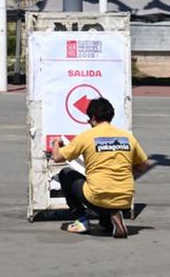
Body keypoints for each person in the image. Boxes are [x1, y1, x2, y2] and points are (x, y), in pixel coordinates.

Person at [50, 96, 149, 238]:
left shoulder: (86, 136)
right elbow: (144, 164)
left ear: (94, 117)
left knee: (66, 174)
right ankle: (111, 221)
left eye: (89, 118)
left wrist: (56, 143)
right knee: (105, 212)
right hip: (125, 199)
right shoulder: (127, 137)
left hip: (98, 197)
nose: (88, 122)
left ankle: (81, 220)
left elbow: (57, 157)